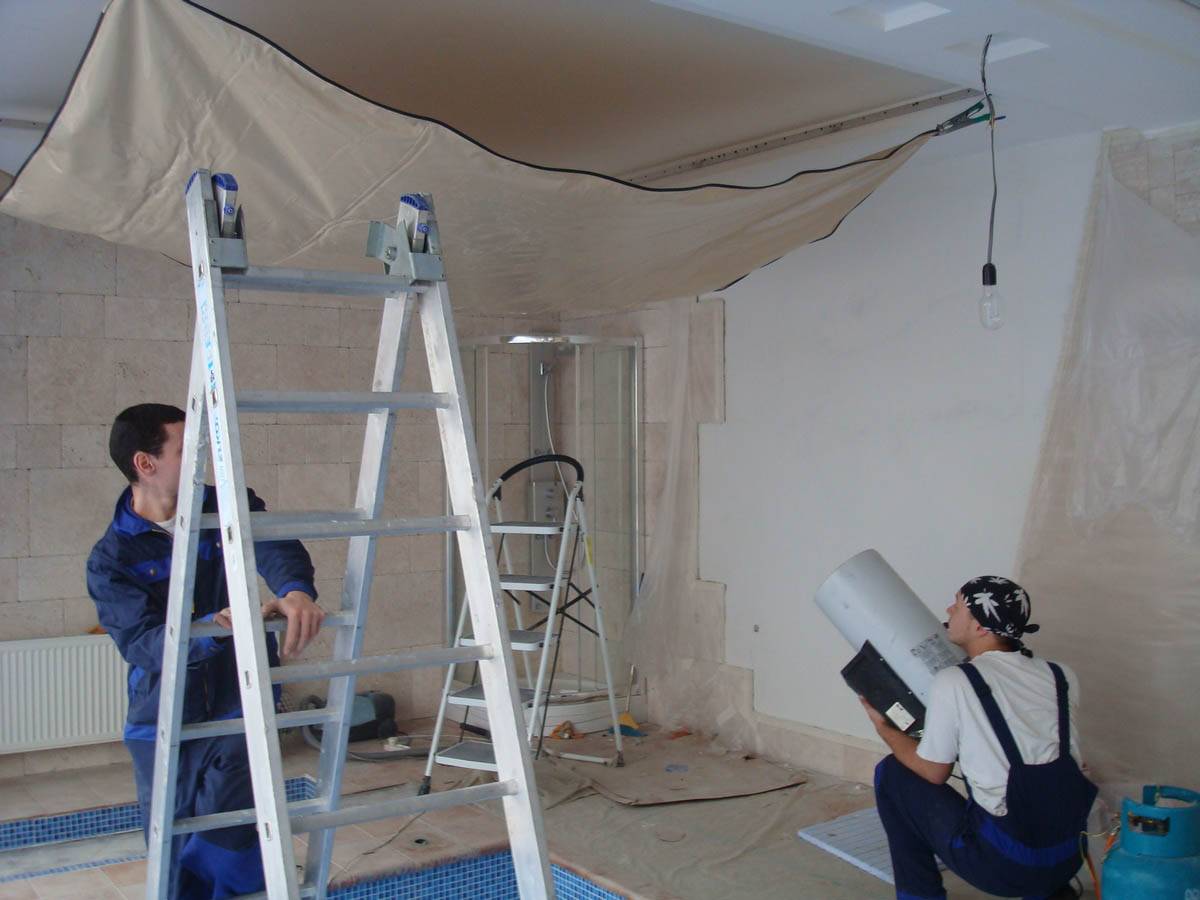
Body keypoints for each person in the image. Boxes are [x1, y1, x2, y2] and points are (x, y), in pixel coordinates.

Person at [87, 403, 325, 899]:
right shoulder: (112, 559)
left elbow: (274, 546)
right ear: (145, 463)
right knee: (172, 852)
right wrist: (214, 628)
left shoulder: (226, 506)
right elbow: (144, 644)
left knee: (232, 841)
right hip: (162, 718)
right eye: (186, 449)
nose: (203, 459)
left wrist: (296, 590)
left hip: (237, 704)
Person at [862, 576, 1096, 900]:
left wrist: (883, 728)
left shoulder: (955, 681)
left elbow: (933, 772)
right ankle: (1051, 892)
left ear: (980, 627)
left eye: (957, 606)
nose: (948, 610)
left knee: (893, 773)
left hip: (1004, 868)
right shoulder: (1061, 675)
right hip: (1068, 858)